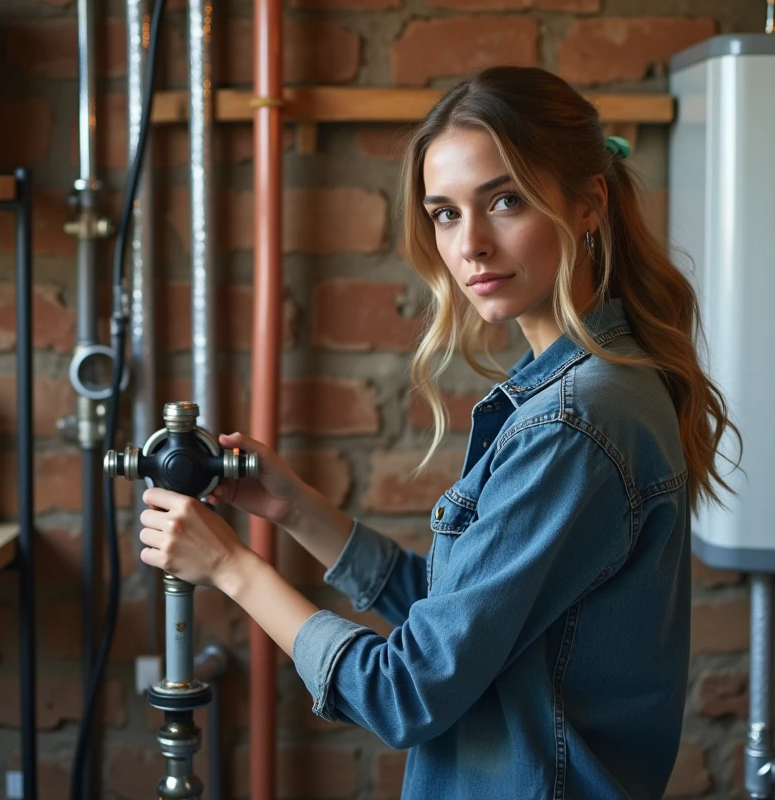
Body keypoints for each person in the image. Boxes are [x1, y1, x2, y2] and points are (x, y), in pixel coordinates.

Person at [138, 65, 741, 799]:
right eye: (446, 213)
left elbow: (407, 691)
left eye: (505, 200)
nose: (471, 245)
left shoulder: (573, 425)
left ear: (590, 202)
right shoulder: (592, 389)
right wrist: (295, 510)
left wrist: (231, 569)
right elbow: (465, 621)